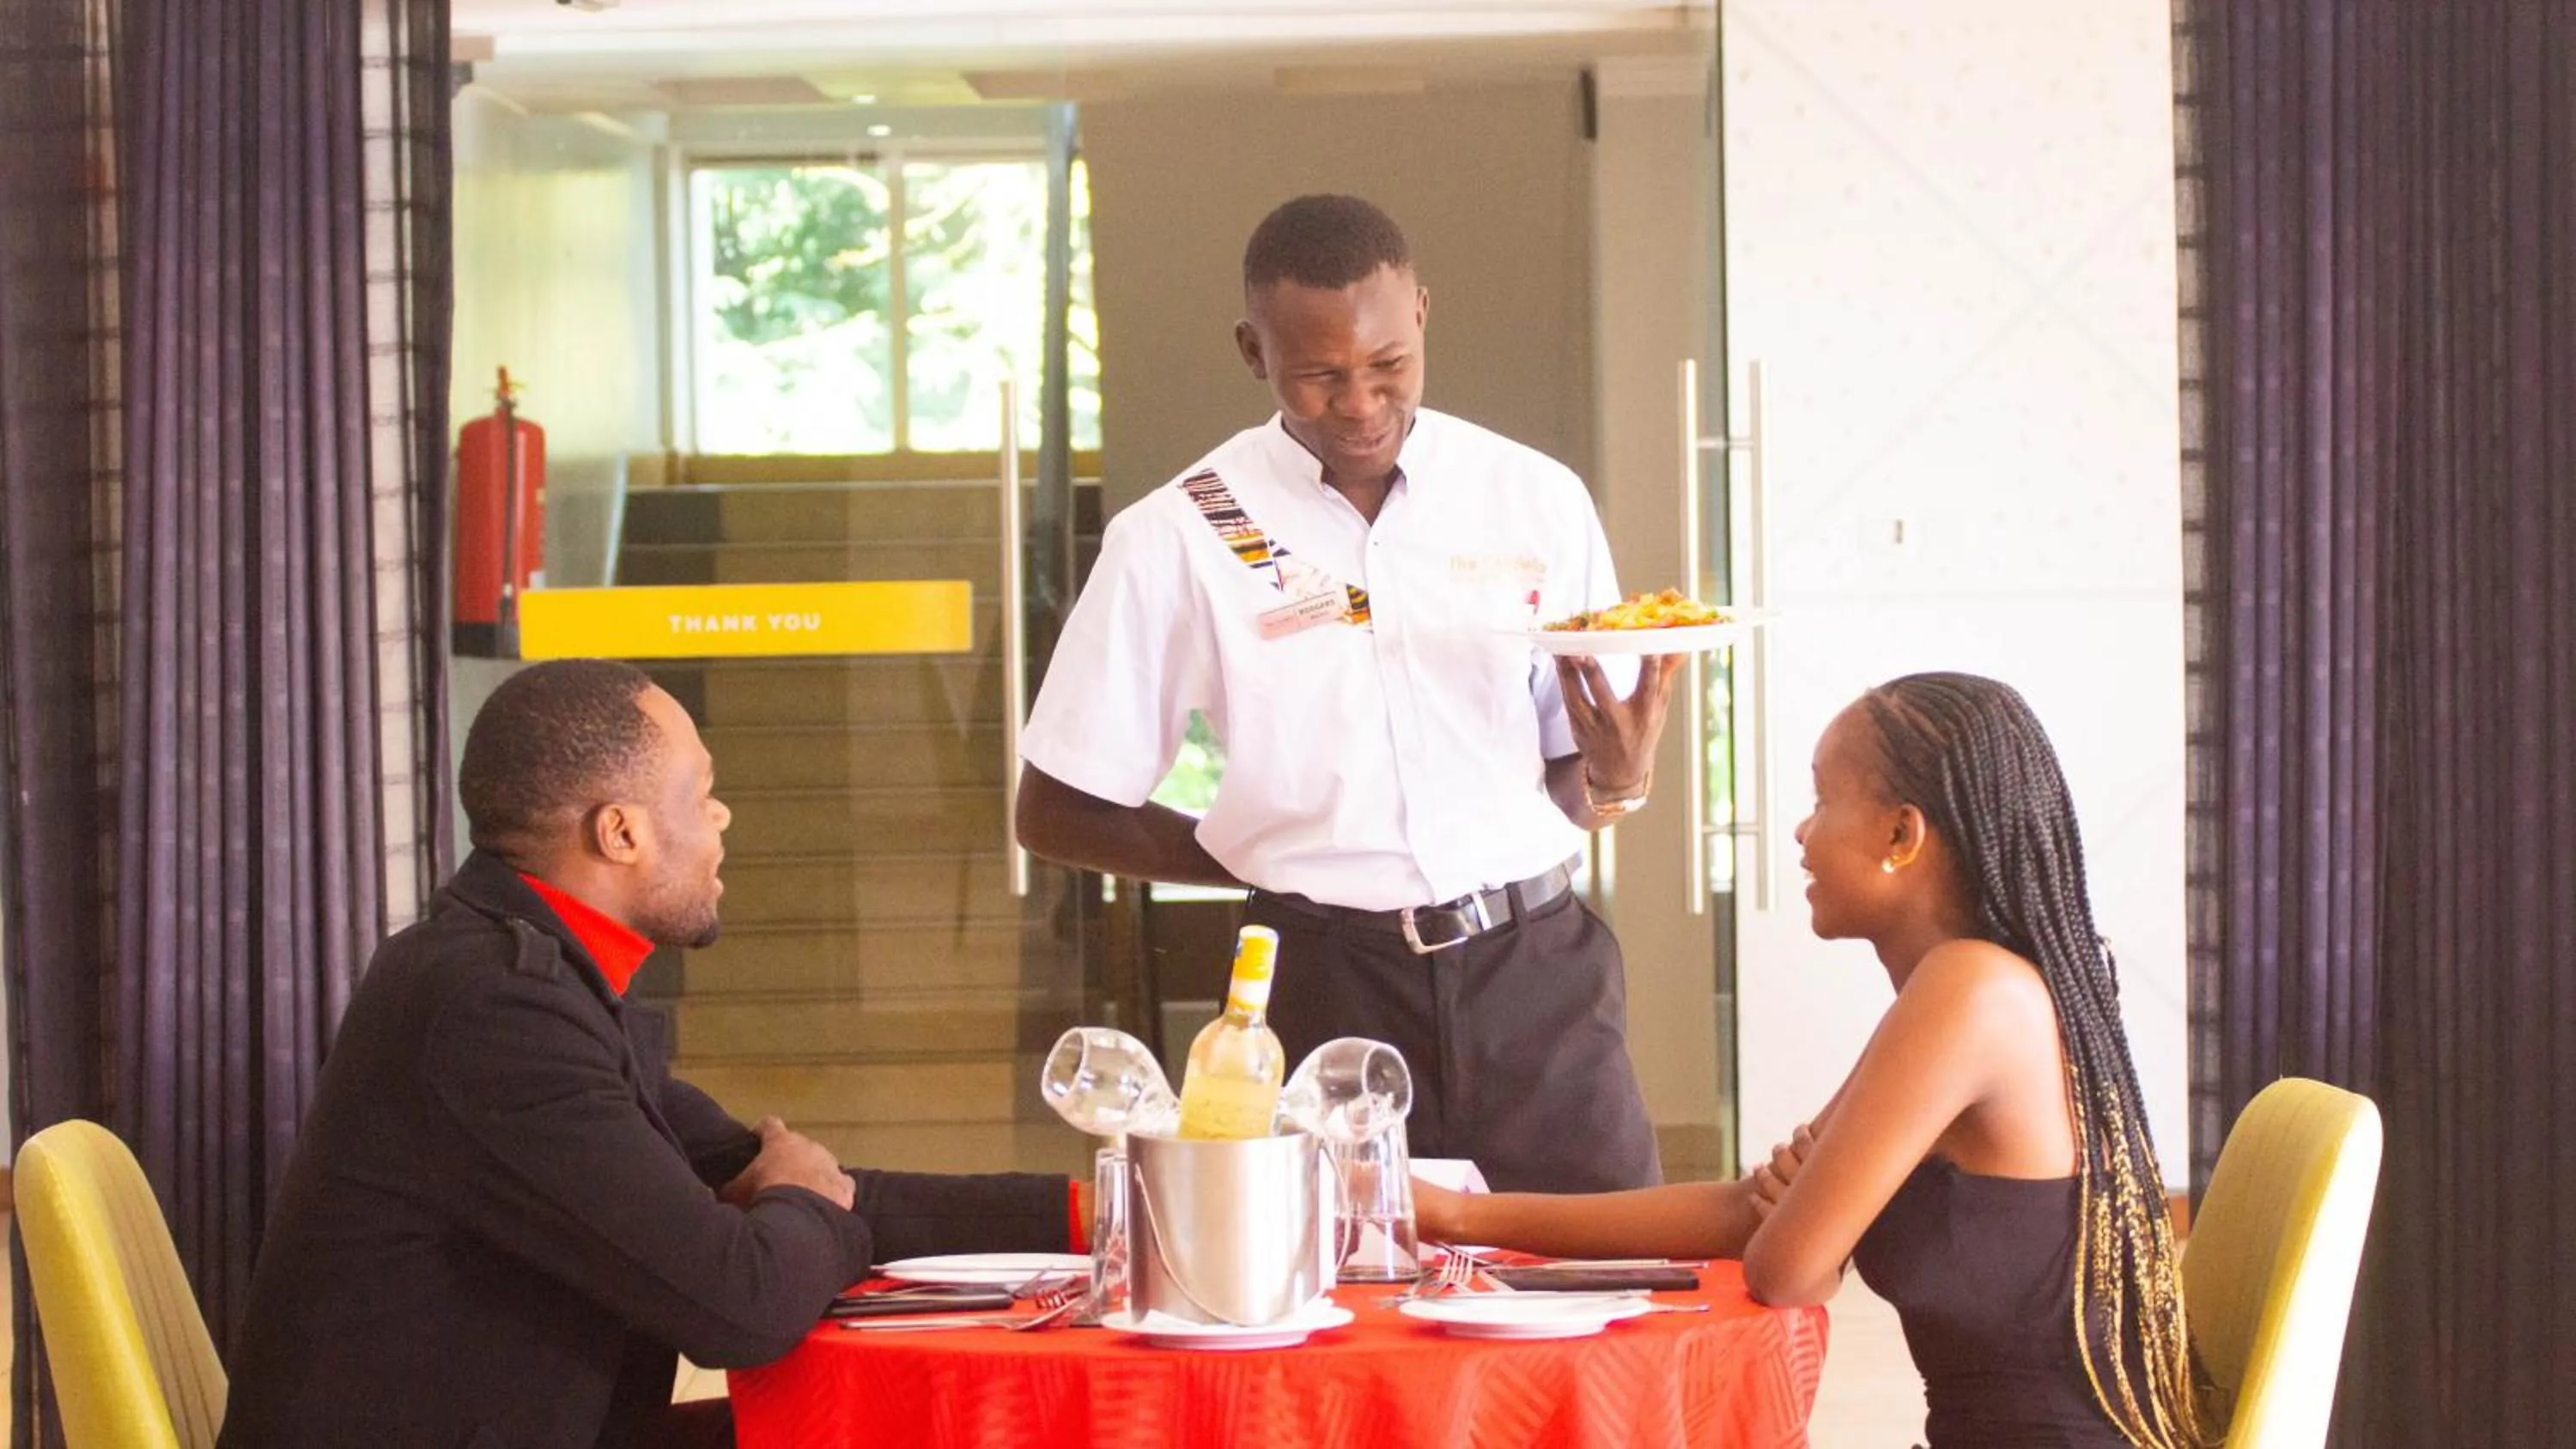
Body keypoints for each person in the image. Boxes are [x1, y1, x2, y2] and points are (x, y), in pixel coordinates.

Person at [219, 659, 1082, 1449]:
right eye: (701, 792)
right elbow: (742, 1304)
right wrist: (795, 1195)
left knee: (909, 1422)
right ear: (621, 832)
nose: (722, 816)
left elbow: (801, 1186)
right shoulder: (495, 1012)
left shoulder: (532, 977)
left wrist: (1100, 1215)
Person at [1015, 192, 1680, 1192]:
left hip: (1537, 976)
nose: (1361, 404)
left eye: (1387, 367)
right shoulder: (1182, 532)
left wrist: (1621, 779)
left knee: (1608, 1286)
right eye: (1319, 376)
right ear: (1253, 351)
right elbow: (1056, 807)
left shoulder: (1534, 496)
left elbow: (1575, 787)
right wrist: (1267, 853)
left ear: (1421, 312)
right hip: (1322, 988)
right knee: (1343, 1303)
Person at [1414, 673, 2209, 1449]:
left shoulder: (1970, 992)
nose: (1800, 832)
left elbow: (1788, 1267)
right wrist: (1459, 1217)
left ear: (1903, 835)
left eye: (1823, 801)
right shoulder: (1971, 990)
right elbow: (1749, 1213)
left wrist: (1805, 1216)